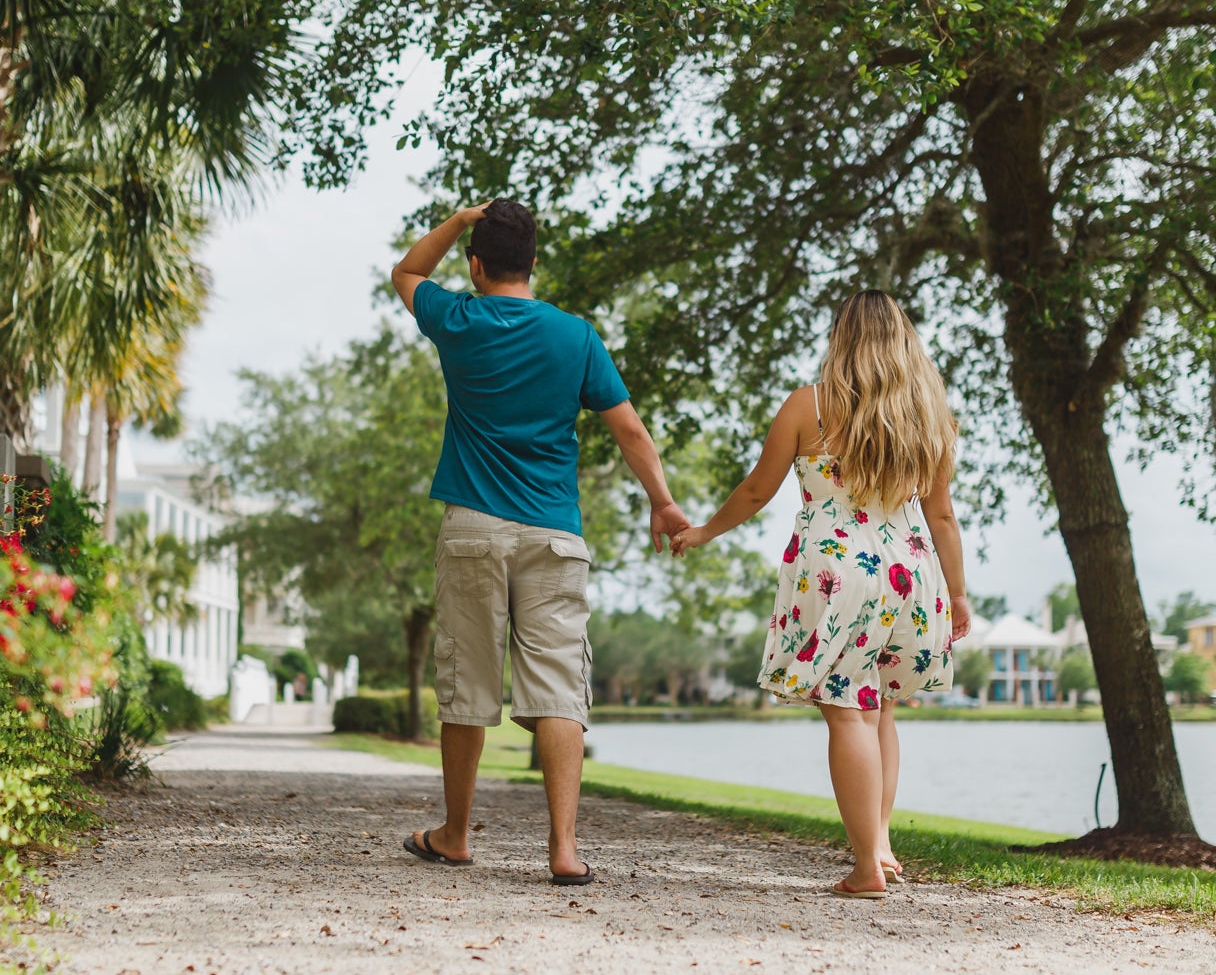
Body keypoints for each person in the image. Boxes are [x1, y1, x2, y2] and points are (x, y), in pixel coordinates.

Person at [391, 199, 688, 886]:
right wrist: (663, 501)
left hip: (472, 528)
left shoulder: (457, 320)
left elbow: (406, 271)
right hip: (555, 533)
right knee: (559, 689)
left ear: (476, 266)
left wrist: (460, 219)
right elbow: (633, 431)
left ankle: (457, 835)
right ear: (533, 263)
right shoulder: (574, 336)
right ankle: (563, 848)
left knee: (467, 685)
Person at [670, 289, 970, 899]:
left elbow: (757, 490)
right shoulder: (929, 415)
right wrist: (959, 595)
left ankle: (865, 868)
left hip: (838, 576)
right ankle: (880, 846)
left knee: (846, 710)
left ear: (842, 338)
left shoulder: (810, 406)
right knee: (880, 706)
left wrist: (703, 531)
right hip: (909, 576)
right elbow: (942, 516)